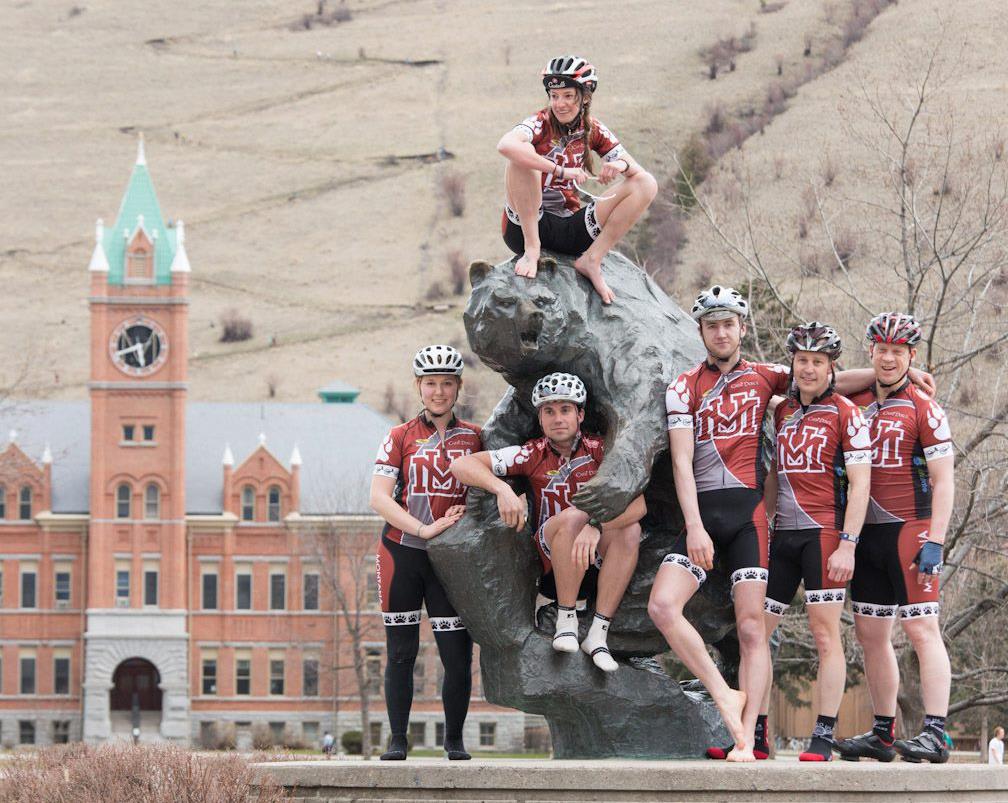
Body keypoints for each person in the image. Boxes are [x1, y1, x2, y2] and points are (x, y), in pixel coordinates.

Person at [650, 286, 932, 762]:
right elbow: (681, 463)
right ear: (700, 331)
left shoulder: (766, 377)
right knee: (666, 608)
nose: (721, 332)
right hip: (710, 520)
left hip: (756, 522)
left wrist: (901, 373)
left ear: (742, 329)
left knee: (758, 631)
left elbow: (827, 378)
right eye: (711, 325)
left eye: (729, 324)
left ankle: (757, 737)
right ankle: (731, 703)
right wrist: (693, 525)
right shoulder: (686, 386)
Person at [451, 372, 645, 671]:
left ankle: (598, 634)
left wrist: (596, 524)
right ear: (540, 419)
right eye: (549, 411)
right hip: (554, 555)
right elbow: (461, 464)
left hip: (595, 554)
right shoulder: (532, 453)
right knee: (571, 517)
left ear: (580, 414)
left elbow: (638, 504)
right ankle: (565, 619)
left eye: (565, 410)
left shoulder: (600, 450)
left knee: (629, 529)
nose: (558, 418)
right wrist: (502, 489)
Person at [834, 312, 954, 764]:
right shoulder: (856, 396)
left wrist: (936, 540)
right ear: (871, 351)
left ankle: (936, 733)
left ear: (912, 355)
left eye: (898, 352)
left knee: (922, 629)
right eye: (881, 350)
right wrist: (879, 372)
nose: (888, 359)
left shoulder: (925, 406)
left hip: (911, 530)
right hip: (865, 534)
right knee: (870, 634)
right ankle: (883, 734)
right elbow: (825, 378)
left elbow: (945, 480)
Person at [759, 323, 872, 761]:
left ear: (831, 368)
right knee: (757, 634)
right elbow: (772, 475)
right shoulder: (781, 410)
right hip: (781, 536)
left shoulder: (847, 413)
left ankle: (823, 735)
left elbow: (861, 486)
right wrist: (762, 524)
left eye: (817, 362)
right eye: (801, 360)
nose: (808, 369)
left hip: (824, 536)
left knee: (825, 637)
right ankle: (755, 732)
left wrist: (848, 545)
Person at [369, 344, 482, 761]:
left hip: (450, 561)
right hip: (403, 553)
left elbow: (484, 494)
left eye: (447, 383)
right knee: (401, 653)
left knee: (457, 655)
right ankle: (398, 740)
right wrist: (423, 528)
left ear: (458, 387)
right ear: (419, 387)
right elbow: (378, 498)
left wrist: (466, 512)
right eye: (431, 383)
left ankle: (454, 741)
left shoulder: (475, 437)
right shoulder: (399, 436)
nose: (439, 391)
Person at [497, 56, 658, 305]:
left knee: (646, 183)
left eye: (568, 96)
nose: (559, 104)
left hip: (569, 229)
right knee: (521, 157)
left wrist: (619, 164)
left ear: (585, 97)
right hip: (524, 226)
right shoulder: (539, 123)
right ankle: (532, 251)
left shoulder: (592, 129)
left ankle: (592, 260)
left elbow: (636, 171)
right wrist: (559, 170)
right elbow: (505, 145)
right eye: (554, 96)